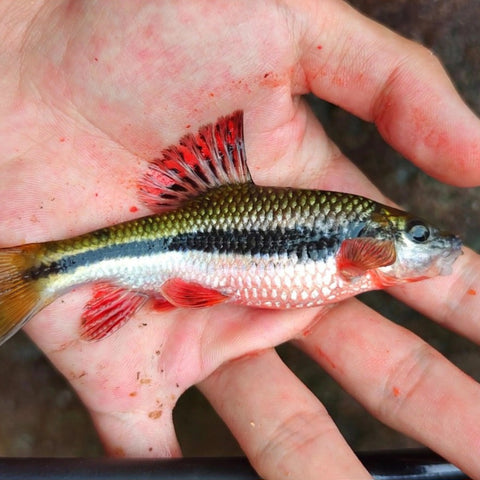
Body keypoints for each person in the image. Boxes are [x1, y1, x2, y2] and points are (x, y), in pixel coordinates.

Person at [1, 1, 480, 479]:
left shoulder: (358, 251)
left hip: (189, 239)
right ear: (370, 244)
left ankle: (45, 269)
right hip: (188, 241)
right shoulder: (356, 253)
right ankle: (39, 270)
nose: (431, 245)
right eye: (418, 235)